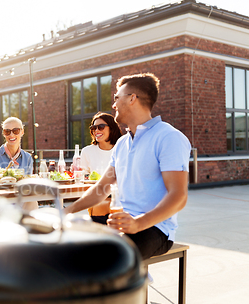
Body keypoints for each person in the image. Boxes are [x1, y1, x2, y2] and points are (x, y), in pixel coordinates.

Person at [64, 73, 191, 260]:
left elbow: (179, 196)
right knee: (66, 248)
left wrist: (138, 224)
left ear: (132, 98)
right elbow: (101, 188)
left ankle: (132, 281)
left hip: (154, 229)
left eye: (117, 97)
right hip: (121, 224)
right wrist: (66, 211)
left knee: (100, 261)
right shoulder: (122, 144)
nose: (113, 105)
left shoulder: (168, 137)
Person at [77, 112, 122, 223]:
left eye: (101, 127)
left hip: (120, 198)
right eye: (93, 128)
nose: (96, 130)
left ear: (112, 128)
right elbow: (83, 178)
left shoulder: (122, 148)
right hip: (98, 199)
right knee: (100, 204)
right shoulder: (87, 151)